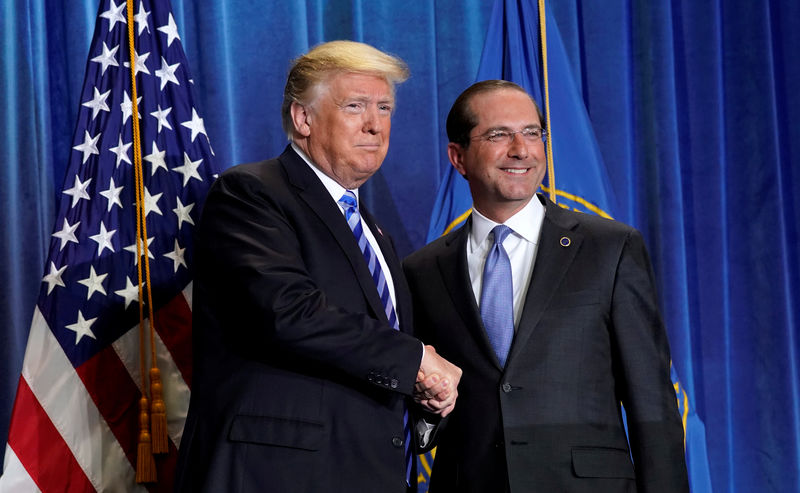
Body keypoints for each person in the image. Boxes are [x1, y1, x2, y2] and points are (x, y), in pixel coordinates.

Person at [175, 41, 461, 493]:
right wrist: (416, 359)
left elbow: (369, 358)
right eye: (355, 106)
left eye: (384, 108)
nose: (375, 125)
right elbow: (288, 313)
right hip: (279, 476)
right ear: (302, 118)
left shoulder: (373, 233)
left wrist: (423, 397)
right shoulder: (252, 193)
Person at [403, 80, 689, 492]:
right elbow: (423, 403)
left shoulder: (611, 248)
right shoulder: (423, 269)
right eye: (499, 134)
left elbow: (652, 403)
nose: (521, 149)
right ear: (458, 157)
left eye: (533, 132)